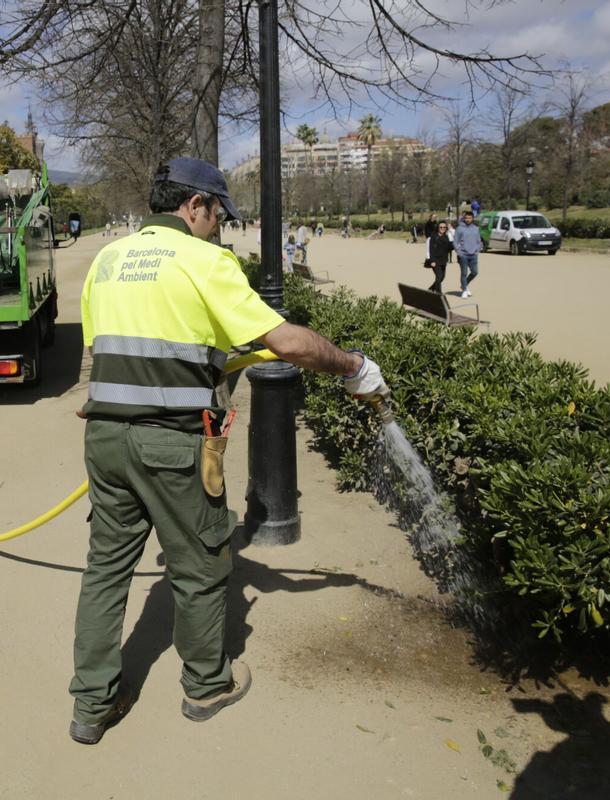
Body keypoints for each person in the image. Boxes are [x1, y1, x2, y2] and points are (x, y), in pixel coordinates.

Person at [70, 156, 389, 745]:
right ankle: (207, 685)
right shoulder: (203, 260)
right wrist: (353, 366)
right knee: (201, 566)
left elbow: (96, 360)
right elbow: (285, 341)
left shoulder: (107, 259)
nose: (219, 226)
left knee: (105, 572)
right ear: (195, 205)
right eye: (218, 214)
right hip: (171, 444)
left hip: (105, 440)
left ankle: (91, 706)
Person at [453, 210, 482, 298]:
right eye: (466, 218)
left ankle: (464, 285)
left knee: (474, 272)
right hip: (463, 255)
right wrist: (459, 252)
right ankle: (465, 290)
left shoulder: (476, 228)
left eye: (469, 218)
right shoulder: (459, 228)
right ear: (464, 218)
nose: (468, 219)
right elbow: (455, 241)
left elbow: (478, 240)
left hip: (473, 254)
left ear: (472, 218)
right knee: (464, 273)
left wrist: (478, 250)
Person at [425, 219, 455, 294]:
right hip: (435, 260)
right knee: (439, 277)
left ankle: (431, 288)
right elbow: (430, 249)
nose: (442, 228)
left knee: (442, 277)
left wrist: (454, 243)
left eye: (444, 227)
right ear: (438, 228)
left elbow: (449, 248)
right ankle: (439, 293)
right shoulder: (433, 237)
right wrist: (432, 261)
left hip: (443, 260)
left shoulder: (447, 236)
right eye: (441, 227)